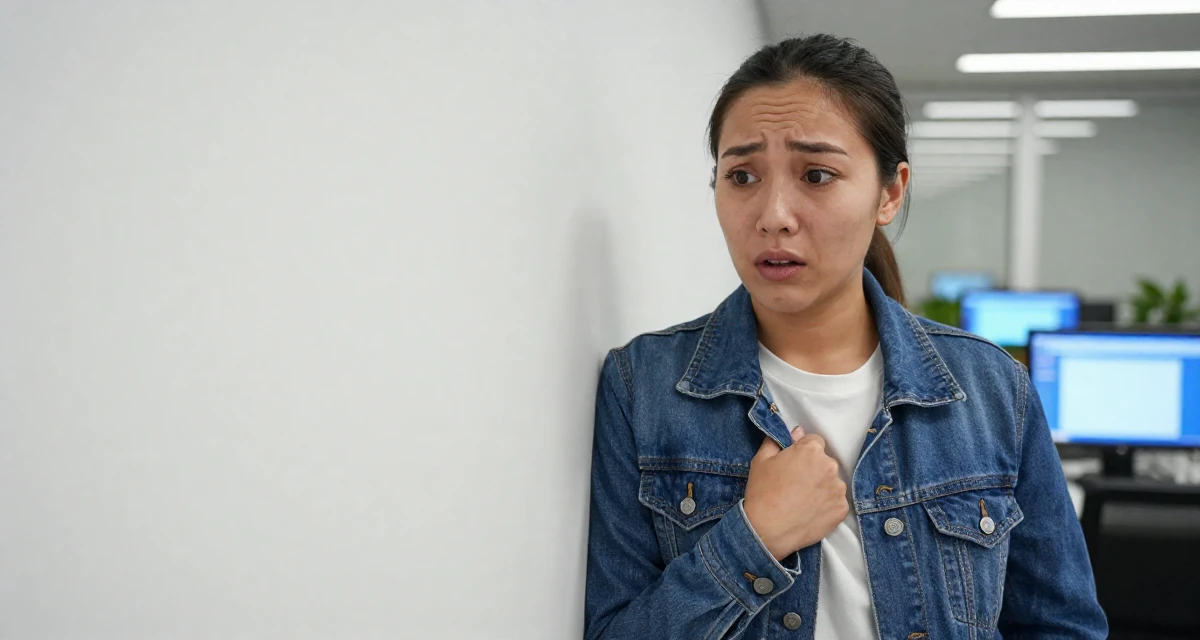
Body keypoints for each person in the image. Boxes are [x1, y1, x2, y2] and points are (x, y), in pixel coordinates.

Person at [583, 34, 1107, 640]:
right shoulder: (644, 387)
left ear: (889, 193)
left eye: (817, 174)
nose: (774, 213)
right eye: (743, 175)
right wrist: (753, 538)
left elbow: (1060, 627)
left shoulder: (990, 390)